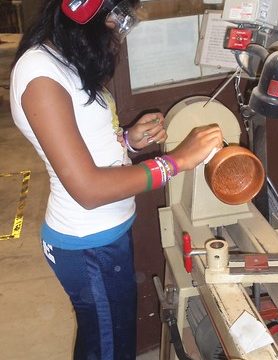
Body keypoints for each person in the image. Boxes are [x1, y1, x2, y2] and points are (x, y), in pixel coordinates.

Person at [9, 0, 223, 359]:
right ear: (83, 16)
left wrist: (127, 139)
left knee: (102, 341)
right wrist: (177, 161)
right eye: (113, 17)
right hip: (89, 246)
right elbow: (88, 189)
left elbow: (80, 147)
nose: (116, 30)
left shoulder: (61, 59)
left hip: (103, 241)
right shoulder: (40, 76)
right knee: (111, 348)